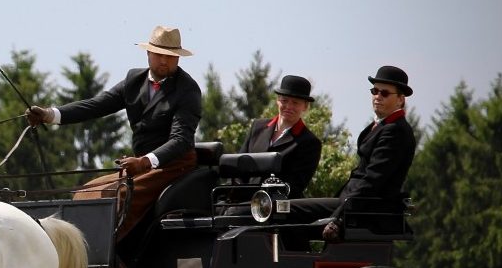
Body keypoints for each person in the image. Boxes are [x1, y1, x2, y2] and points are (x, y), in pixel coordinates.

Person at [26, 25, 202, 239]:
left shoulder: (188, 90)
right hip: (141, 166)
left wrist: (145, 162)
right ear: (148, 53)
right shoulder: (134, 81)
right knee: (85, 192)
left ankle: (109, 256)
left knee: (118, 196)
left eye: (170, 56)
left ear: (178, 58)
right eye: (158, 54)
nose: (164, 61)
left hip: (172, 166)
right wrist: (50, 115)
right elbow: (96, 105)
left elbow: (181, 139)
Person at [286, 65, 416, 241]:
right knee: (283, 210)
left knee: (288, 210)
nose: (377, 97)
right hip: (353, 203)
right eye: (374, 91)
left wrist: (339, 216)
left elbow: (372, 181)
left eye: (384, 93)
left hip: (366, 209)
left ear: (401, 99)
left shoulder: (396, 131)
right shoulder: (381, 127)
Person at [239, 75, 323, 199]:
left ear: (305, 106)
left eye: (295, 102)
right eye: (284, 101)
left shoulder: (309, 142)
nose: (289, 106)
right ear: (277, 100)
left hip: (275, 207)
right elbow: (239, 167)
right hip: (241, 200)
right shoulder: (257, 127)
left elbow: (295, 185)